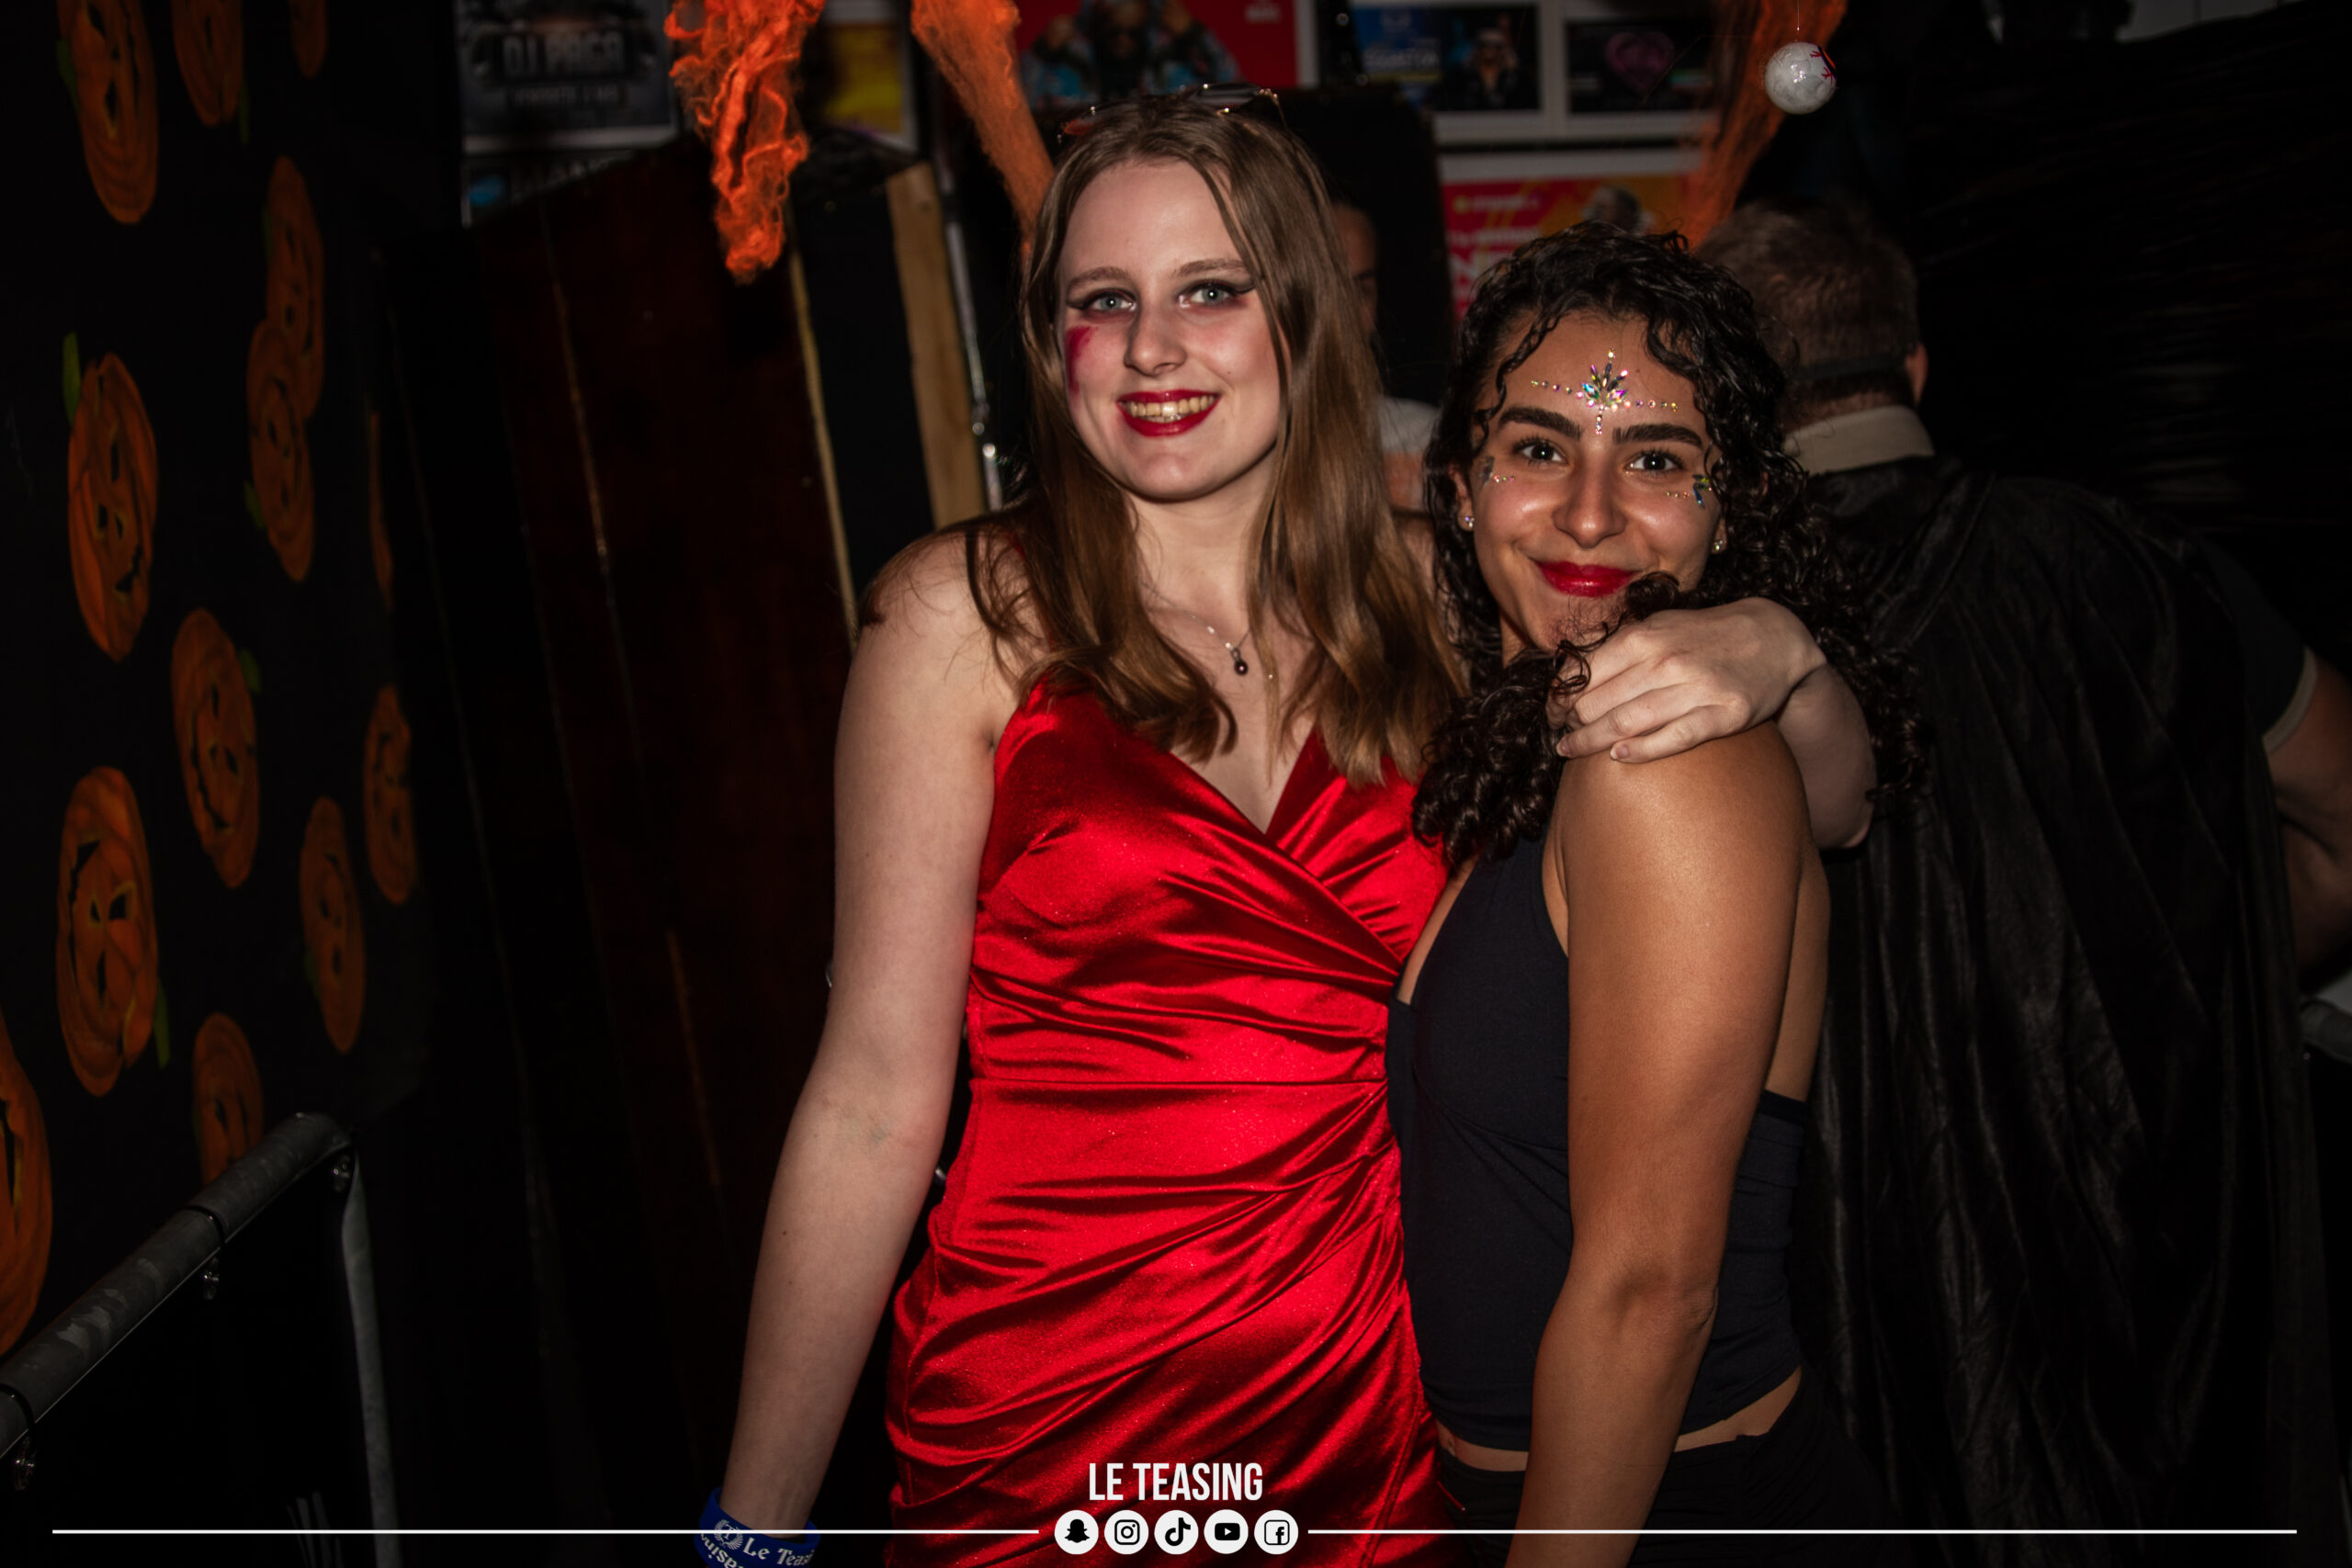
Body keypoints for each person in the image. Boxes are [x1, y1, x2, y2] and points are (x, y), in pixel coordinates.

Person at [697, 97, 1880, 1567]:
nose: (1151, 347)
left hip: (1369, 1434)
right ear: (1050, 343)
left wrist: (1782, 652)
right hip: (1052, 1409)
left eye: (1208, 290)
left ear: (1306, 316)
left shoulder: (1447, 606)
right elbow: (873, 1096)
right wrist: (755, 1519)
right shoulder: (961, 618)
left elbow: (1829, 813)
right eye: (1102, 301)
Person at [1698, 197, 2345, 1550]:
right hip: (2143, 1280)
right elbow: (2345, 831)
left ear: (1722, 400)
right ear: (1914, 366)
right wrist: (2178, 983)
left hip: (1826, 1318)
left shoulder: (1679, 625)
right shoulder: (2152, 568)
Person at [1395, 224, 1916, 1566]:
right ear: (1458, 488)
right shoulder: (1528, 734)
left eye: (1657, 459)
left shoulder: (1664, 756)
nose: (1588, 513)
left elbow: (1650, 1292)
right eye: (1537, 448)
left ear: (1727, 508)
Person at [1331, 199, 1441, 514]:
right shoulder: (1237, 449)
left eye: (1359, 291)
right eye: (1323, 289)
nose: (1343, 314)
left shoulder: (1426, 441)